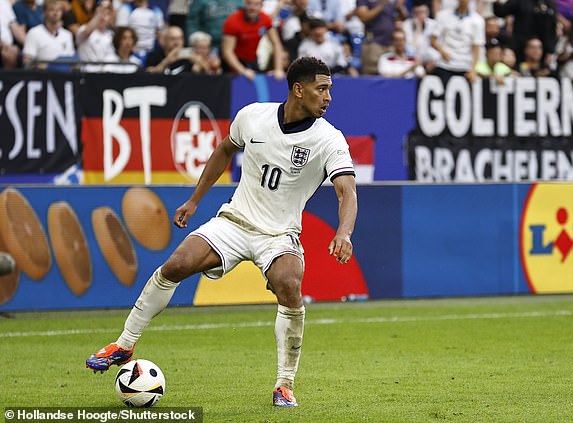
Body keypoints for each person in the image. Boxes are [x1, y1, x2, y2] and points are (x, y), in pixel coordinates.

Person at [86, 56, 358, 408]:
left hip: (279, 235)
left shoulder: (329, 139)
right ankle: (123, 344)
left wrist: (345, 232)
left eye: (330, 90)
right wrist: (194, 201)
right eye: (322, 89)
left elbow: (346, 190)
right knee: (175, 265)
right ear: (298, 89)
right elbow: (224, 150)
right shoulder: (253, 117)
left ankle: (284, 385)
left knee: (290, 286)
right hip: (234, 221)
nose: (328, 97)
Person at [221, 0, 285, 80]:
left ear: (261, 5)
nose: (252, 8)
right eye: (249, 3)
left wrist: (278, 69)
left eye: (256, 4)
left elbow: (276, 44)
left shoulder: (265, 19)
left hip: (252, 59)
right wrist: (243, 71)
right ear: (244, 4)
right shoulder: (232, 21)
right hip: (233, 62)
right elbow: (227, 52)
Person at [430, 0, 484, 84]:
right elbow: (433, 40)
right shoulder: (443, 15)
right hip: (445, 65)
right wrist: (442, 52)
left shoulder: (478, 20)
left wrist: (473, 69)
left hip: (465, 66)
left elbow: (476, 48)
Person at [22, 0, 76, 69]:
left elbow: (72, 61)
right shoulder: (34, 33)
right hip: (41, 76)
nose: (56, 13)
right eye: (52, 10)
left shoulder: (67, 35)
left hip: (64, 77)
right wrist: (47, 66)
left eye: (59, 10)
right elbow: (27, 62)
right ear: (44, 13)